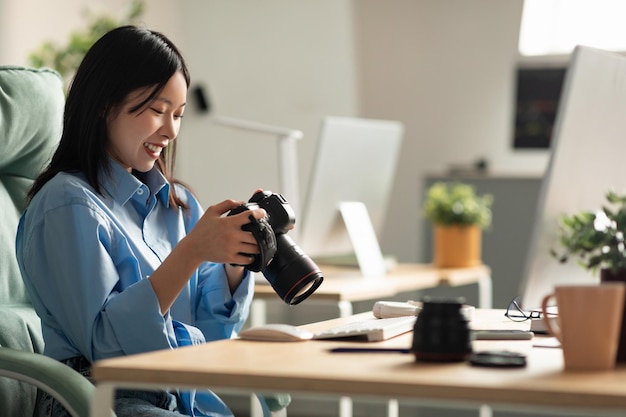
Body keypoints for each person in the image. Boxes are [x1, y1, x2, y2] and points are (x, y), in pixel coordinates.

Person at [16, 25, 266, 417]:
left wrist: (234, 264)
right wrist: (191, 253)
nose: (170, 130)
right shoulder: (66, 205)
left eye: (179, 115)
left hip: (178, 395)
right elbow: (103, 348)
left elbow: (213, 339)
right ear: (105, 103)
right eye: (157, 110)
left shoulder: (179, 206)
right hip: (97, 398)